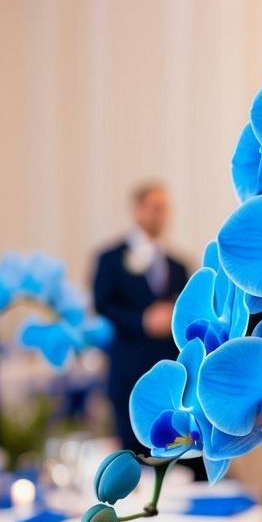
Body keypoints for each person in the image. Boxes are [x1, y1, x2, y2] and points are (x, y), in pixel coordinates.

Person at [93, 183, 188, 451]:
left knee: (169, 451)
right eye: (154, 208)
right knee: (132, 451)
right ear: (137, 211)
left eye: (164, 209)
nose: (160, 215)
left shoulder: (178, 265)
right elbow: (103, 304)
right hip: (128, 370)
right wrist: (143, 320)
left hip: (168, 374)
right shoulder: (110, 259)